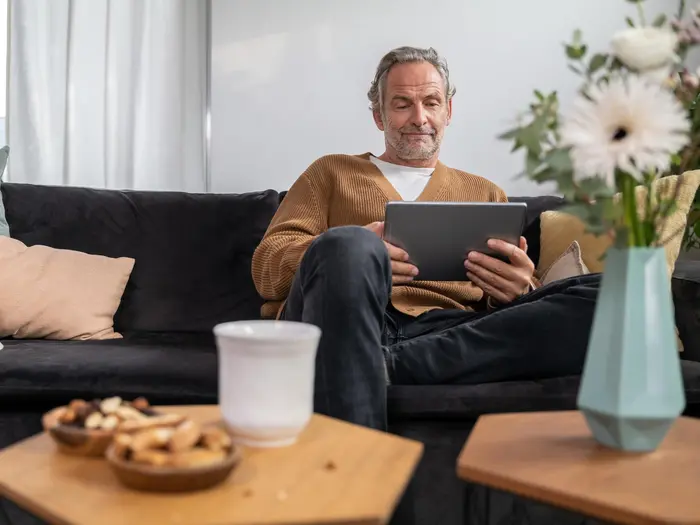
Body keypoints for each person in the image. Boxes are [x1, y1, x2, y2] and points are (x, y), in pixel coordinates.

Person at [251, 46, 600, 431]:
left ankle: (377, 363)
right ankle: (362, 396)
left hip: (448, 332)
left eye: (431, 102)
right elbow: (267, 268)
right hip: (347, 319)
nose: (419, 118)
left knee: (608, 295)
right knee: (347, 246)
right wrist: (354, 252)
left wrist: (520, 289)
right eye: (402, 104)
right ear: (378, 115)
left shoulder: (486, 193)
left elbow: (507, 313)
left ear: (447, 111)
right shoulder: (330, 173)